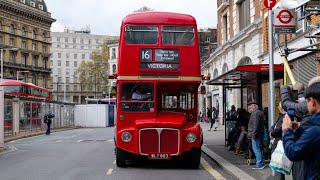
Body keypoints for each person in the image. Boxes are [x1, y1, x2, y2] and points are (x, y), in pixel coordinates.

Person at [282, 82, 320, 180]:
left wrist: (287, 131)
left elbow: (293, 152)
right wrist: (299, 128)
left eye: (306, 102)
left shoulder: (315, 130)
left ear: (312, 101)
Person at [269, 103, 286, 180]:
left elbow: (278, 128)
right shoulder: (281, 116)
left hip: (280, 141)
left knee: (280, 162)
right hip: (277, 140)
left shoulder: (285, 117)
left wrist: (272, 133)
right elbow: (274, 126)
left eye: (279, 107)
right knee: (278, 162)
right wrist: (271, 131)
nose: (278, 108)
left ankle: (281, 177)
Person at [247, 101, 265, 169]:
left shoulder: (256, 113)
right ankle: (261, 163)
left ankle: (259, 164)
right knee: (259, 149)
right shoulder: (258, 112)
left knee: (256, 149)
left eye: (250, 105)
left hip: (256, 135)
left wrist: (253, 135)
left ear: (254, 106)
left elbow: (255, 125)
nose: (249, 107)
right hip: (259, 134)